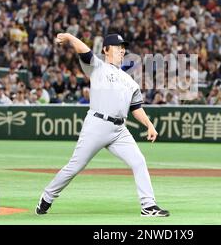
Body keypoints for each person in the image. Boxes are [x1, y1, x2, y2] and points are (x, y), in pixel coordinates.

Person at [35, 32, 170, 217]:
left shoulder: (129, 81)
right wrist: (69, 37)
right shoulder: (97, 67)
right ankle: (47, 196)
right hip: (97, 125)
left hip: (119, 130)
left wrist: (149, 125)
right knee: (75, 166)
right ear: (106, 50)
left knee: (138, 161)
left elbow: (136, 107)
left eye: (123, 48)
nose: (122, 51)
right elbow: (84, 51)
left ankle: (148, 206)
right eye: (117, 47)